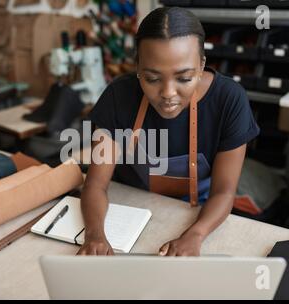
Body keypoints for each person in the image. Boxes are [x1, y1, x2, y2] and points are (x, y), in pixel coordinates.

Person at [77, 7, 260, 256]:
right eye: (152, 78)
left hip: (197, 212)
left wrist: (195, 235)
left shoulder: (229, 100)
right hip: (128, 209)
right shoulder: (118, 96)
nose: (168, 94)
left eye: (184, 78)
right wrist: (95, 234)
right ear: (138, 66)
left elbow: (224, 192)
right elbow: (96, 184)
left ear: (202, 64)